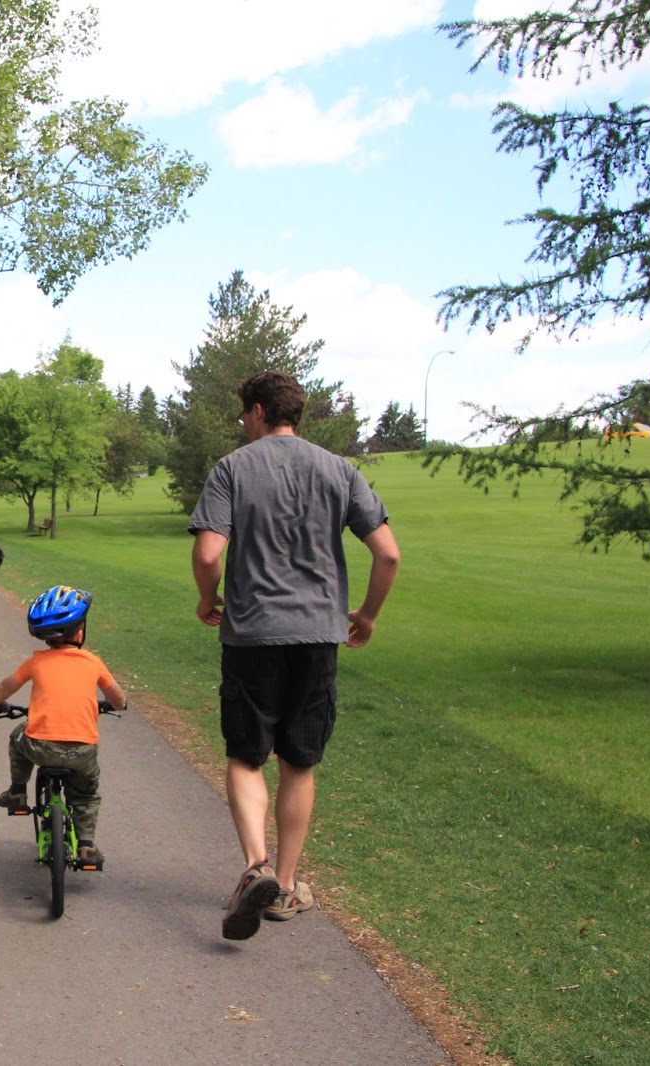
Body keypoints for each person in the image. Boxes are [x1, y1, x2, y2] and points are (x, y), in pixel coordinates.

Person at [188, 370, 400, 942]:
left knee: (245, 756)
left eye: (243, 414)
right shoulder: (340, 469)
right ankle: (283, 886)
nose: (242, 424)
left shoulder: (234, 469)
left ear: (257, 411)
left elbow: (209, 552)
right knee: (299, 762)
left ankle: (255, 865)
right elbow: (388, 555)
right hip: (317, 635)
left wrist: (210, 600)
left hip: (253, 635)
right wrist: (367, 614)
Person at [0, 585, 128, 865]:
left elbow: (7, 685)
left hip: (39, 746)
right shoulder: (92, 662)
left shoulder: (36, 662)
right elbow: (117, 697)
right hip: (82, 751)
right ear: (80, 631)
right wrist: (117, 705)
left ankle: (17, 791)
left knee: (17, 737)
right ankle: (86, 845)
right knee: (85, 792)